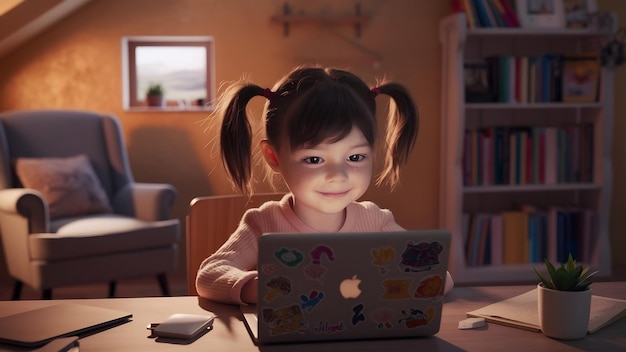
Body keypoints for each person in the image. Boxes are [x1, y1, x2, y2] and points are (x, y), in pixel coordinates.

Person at [196, 65, 453, 304]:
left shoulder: (376, 222)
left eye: (355, 157)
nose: (337, 175)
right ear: (274, 157)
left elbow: (440, 275)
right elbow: (209, 275)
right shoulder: (264, 223)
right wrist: (261, 287)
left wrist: (427, 280)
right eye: (314, 159)